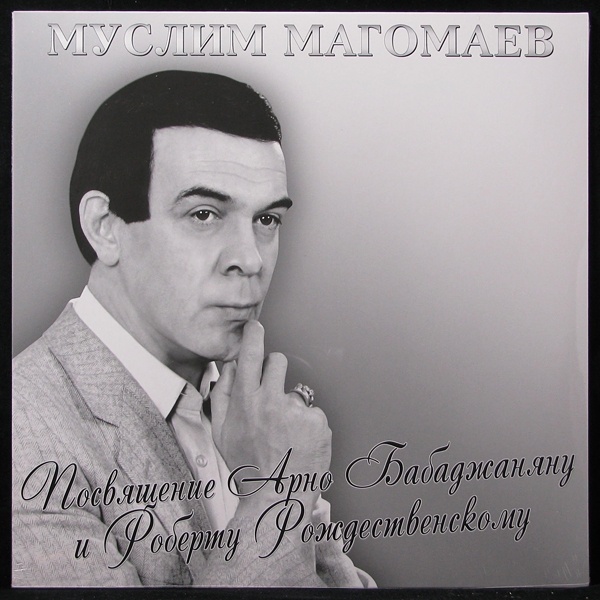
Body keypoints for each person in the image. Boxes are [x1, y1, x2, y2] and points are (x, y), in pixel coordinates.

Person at [12, 70, 373, 587]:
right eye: (204, 214)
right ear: (104, 227)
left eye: (267, 220)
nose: (251, 259)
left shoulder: (249, 411)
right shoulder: (22, 436)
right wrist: (283, 491)